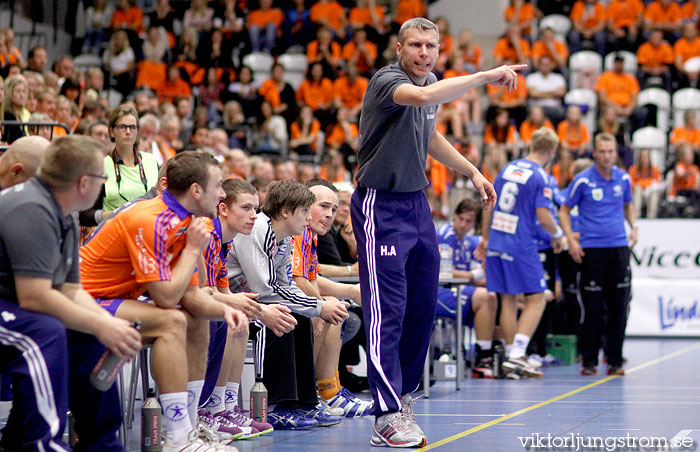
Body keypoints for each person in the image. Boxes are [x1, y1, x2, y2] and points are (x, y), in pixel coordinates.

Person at [352, 17, 516, 448]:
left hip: (417, 205)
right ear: (400, 49)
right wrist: (484, 76)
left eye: (431, 46)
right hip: (379, 205)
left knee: (422, 306)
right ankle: (385, 415)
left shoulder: (432, 83)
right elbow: (421, 97)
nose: (424, 53)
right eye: (416, 46)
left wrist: (473, 171)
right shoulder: (388, 82)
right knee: (387, 310)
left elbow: (428, 133)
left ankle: (402, 398)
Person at [80, 151, 247, 451]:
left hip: (119, 299)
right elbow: (167, 298)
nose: (223, 193)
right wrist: (193, 251)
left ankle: (190, 427)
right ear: (196, 190)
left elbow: (192, 297)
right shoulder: (149, 218)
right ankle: (177, 437)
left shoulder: (193, 223)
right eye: (218, 185)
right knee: (173, 320)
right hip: (83, 300)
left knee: (197, 319)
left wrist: (228, 310)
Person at [0, 135, 142, 451]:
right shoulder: (31, 207)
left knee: (90, 335)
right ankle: (40, 443)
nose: (103, 186)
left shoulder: (64, 211)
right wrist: (101, 323)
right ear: (83, 183)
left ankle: (102, 445)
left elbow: (69, 288)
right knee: (45, 331)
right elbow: (34, 297)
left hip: (14, 303)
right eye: (102, 178)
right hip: (12, 304)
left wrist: (104, 324)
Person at [227, 179, 349, 430]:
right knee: (280, 317)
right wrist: (318, 306)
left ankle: (303, 402)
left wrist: (315, 306)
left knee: (300, 317)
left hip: (253, 302)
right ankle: (274, 406)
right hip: (235, 302)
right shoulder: (257, 230)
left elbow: (285, 286)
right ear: (285, 211)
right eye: (305, 211)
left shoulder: (283, 238)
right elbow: (266, 290)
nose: (308, 218)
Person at [198, 178, 290, 436]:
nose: (253, 216)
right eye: (246, 208)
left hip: (203, 300)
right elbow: (202, 292)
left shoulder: (224, 241)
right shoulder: (206, 233)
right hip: (176, 304)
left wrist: (248, 308)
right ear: (223, 209)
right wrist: (261, 310)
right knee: (225, 318)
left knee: (238, 319)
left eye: (256, 209)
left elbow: (223, 291)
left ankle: (223, 406)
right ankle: (205, 408)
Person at [476, 127, 565, 379]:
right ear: (550, 151)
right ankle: (517, 355)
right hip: (520, 244)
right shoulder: (541, 176)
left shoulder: (508, 169)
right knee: (537, 297)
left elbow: (488, 203)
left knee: (508, 300)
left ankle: (511, 357)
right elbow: (544, 216)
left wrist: (485, 238)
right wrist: (558, 236)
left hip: (497, 241)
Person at [289, 179, 370, 417]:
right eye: (323, 206)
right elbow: (299, 281)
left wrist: (349, 291)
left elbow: (311, 278)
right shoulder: (295, 232)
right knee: (321, 315)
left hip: (284, 296)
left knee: (333, 312)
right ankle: (304, 396)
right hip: (266, 299)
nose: (330, 214)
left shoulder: (310, 235)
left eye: (333, 209)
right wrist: (321, 304)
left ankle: (327, 391)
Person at [559, 133, 637, 376]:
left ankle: (615, 360)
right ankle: (589, 360)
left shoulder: (623, 178)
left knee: (619, 307)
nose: (606, 156)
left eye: (610, 151)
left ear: (616, 153)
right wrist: (571, 239)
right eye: (602, 151)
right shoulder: (582, 181)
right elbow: (564, 210)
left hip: (618, 248)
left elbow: (628, 204)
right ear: (594, 153)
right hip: (592, 250)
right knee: (591, 308)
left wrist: (633, 226)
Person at [435, 198, 497, 378]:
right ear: (454, 216)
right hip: (440, 292)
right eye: (460, 218)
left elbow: (477, 275)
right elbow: (445, 272)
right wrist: (475, 274)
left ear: (475, 223)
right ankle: (483, 358)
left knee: (497, 296)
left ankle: (500, 354)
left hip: (459, 290)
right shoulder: (445, 235)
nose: (463, 224)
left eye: (468, 221)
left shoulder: (470, 242)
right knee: (486, 298)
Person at [79, 105, 160, 227]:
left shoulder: (152, 161)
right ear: (111, 131)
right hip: (114, 232)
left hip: (149, 232)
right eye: (122, 127)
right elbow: (85, 216)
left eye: (132, 127)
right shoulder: (101, 165)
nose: (128, 132)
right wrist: (117, 215)